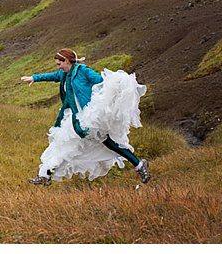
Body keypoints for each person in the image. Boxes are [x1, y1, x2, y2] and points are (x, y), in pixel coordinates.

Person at [22, 48, 150, 185]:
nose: (58, 67)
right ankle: (45, 175)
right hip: (73, 117)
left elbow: (101, 82)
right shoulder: (64, 74)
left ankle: (139, 164)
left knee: (108, 143)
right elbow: (52, 76)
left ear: (67, 61)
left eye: (59, 64)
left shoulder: (83, 71)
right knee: (62, 144)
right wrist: (34, 78)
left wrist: (114, 90)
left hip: (88, 116)